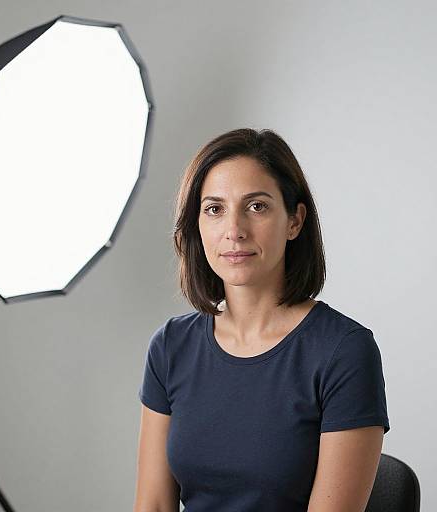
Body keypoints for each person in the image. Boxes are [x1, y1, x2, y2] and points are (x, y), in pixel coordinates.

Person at [133, 128, 390, 512]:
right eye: (214, 209)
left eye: (257, 206)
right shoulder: (171, 345)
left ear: (294, 221)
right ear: (197, 225)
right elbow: (152, 505)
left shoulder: (344, 351)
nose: (234, 231)